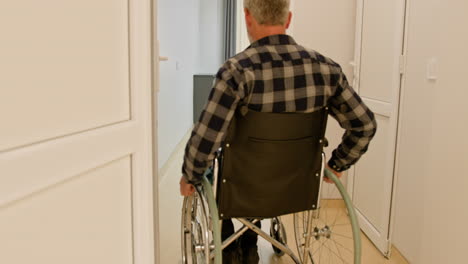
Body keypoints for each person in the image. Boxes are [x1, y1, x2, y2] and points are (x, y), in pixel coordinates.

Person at [179, 0, 377, 263]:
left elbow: (206, 138)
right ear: (288, 19)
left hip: (241, 185)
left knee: (213, 165)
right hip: (297, 189)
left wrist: (189, 176)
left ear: (248, 17)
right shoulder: (327, 70)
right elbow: (365, 124)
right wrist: (338, 162)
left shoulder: (236, 71)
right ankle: (250, 242)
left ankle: (234, 244)